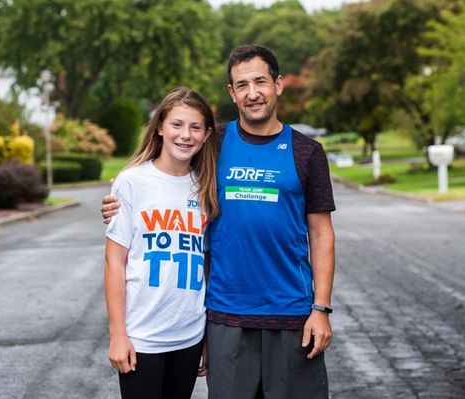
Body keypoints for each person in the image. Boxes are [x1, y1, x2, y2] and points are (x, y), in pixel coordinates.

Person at [102, 45, 336, 399]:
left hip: (292, 315)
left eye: (261, 82)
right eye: (242, 85)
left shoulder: (308, 152)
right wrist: (115, 202)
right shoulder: (214, 142)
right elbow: (164, 181)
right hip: (225, 317)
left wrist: (320, 308)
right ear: (232, 92)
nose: (253, 93)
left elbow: (321, 234)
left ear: (279, 84)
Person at [104, 87, 219, 399]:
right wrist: (118, 334)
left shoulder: (205, 188)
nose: (185, 135)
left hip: (189, 335)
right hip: (142, 336)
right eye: (177, 125)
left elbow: (205, 262)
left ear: (207, 134)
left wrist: (206, 338)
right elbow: (115, 262)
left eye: (196, 127)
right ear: (160, 128)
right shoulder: (131, 182)